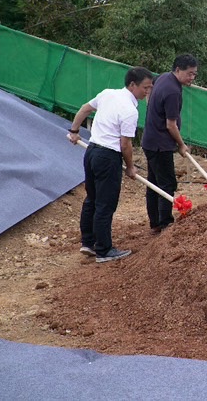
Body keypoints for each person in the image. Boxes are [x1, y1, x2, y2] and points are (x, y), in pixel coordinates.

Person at [67, 66, 154, 263]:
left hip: (92, 152)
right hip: (108, 157)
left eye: (149, 88)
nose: (147, 92)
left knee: (92, 199)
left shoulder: (108, 94)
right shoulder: (130, 110)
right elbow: (125, 144)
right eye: (145, 87)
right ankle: (104, 250)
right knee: (105, 205)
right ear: (132, 85)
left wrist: (74, 130)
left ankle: (88, 243)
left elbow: (84, 109)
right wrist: (130, 167)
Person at [141, 54, 198, 234]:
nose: (192, 78)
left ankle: (155, 222)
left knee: (154, 182)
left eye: (194, 74)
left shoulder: (163, 77)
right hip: (160, 144)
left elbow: (150, 93)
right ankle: (165, 223)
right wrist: (181, 145)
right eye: (189, 74)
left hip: (149, 140)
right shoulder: (173, 91)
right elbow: (171, 124)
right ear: (178, 70)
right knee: (166, 183)